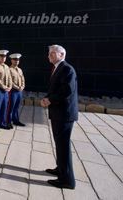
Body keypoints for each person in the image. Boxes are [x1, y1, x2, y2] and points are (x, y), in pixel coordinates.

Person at [41, 45, 78, 190]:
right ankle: (61, 169)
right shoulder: (58, 67)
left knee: (63, 146)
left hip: (64, 114)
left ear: (62, 54)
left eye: (52, 53)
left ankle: (67, 180)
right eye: (49, 53)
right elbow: (56, 89)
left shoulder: (67, 69)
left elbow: (67, 91)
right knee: (60, 144)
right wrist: (47, 98)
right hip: (59, 113)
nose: (49, 55)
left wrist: (50, 100)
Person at [0, 50, 12, 130]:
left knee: (4, 107)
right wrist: (3, 86)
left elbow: (10, 78)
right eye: (1, 56)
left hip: (6, 91)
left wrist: (10, 86)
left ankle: (2, 123)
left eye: (4, 56)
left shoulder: (7, 67)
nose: (3, 58)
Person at [8, 53, 26, 127]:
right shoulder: (9, 69)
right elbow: (9, 81)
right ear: (11, 60)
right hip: (13, 91)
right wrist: (16, 87)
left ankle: (16, 120)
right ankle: (8, 121)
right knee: (10, 107)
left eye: (18, 60)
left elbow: (22, 79)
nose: (16, 61)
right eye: (15, 60)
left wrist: (22, 86)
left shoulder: (20, 70)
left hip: (19, 91)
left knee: (17, 106)